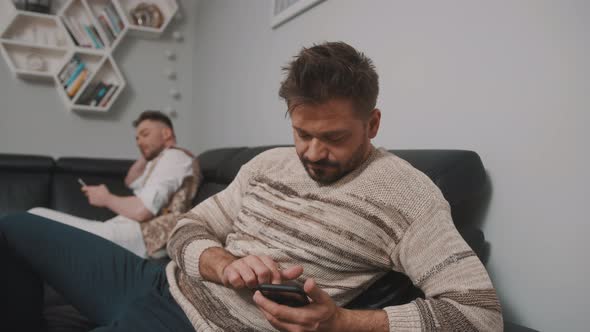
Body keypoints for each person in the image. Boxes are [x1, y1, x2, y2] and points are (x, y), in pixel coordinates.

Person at [0, 42, 503, 332]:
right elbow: (189, 226)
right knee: (13, 226)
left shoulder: (408, 196)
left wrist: (343, 324)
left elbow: (479, 315)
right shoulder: (267, 164)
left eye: (333, 138)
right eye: (301, 132)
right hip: (156, 280)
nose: (311, 153)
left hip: (195, 327)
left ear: (372, 124)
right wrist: (222, 263)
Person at [28, 110, 198, 258]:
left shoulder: (174, 158)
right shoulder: (161, 160)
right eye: (137, 138)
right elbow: (130, 180)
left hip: (139, 236)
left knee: (34, 215)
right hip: (125, 229)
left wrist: (106, 198)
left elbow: (142, 211)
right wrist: (147, 151)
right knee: (34, 219)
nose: (139, 141)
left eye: (145, 134)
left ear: (166, 133)